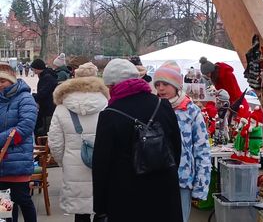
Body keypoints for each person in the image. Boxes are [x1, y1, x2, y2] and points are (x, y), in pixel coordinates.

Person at [92, 58, 183, 222]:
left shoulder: (109, 114)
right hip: (164, 191)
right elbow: (176, 148)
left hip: (126, 195)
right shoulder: (162, 105)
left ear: (112, 86)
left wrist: (100, 207)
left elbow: (101, 164)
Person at [48, 62, 109, 222]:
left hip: (73, 165)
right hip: (102, 164)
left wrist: (65, 161)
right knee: (102, 208)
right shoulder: (107, 104)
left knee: (80, 214)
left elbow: (55, 142)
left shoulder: (61, 108)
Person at [153, 60, 211, 222]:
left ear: (177, 85)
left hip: (182, 180)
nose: (161, 88)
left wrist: (200, 186)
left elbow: (202, 150)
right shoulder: (153, 108)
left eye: (165, 84)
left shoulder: (191, 111)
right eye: (157, 84)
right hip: (156, 178)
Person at [0, 62, 38, 222]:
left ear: (12, 80)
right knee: (4, 202)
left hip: (18, 158)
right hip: (1, 162)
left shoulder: (25, 98)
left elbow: (25, 126)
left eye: (2, 81)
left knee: (22, 199)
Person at [31, 58, 58, 137]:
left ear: (38, 68)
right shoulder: (45, 76)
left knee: (43, 130)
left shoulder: (47, 78)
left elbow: (43, 93)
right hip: (46, 108)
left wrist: (32, 96)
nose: (33, 71)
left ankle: (44, 147)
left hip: (47, 109)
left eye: (34, 69)